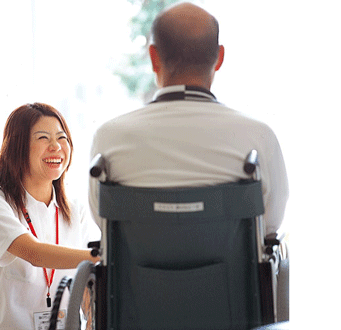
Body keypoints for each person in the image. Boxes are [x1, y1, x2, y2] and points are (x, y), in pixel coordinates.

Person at [89, 2, 288, 237]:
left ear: (153, 57)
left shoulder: (110, 137)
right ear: (219, 58)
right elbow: (270, 224)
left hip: (138, 273)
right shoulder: (258, 137)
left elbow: (104, 223)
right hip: (231, 273)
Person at [0, 103, 100, 330]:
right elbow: (34, 253)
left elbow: (83, 279)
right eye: (43, 138)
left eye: (61, 138)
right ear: (18, 148)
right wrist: (101, 257)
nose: (55, 146)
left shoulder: (75, 209)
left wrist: (92, 313)